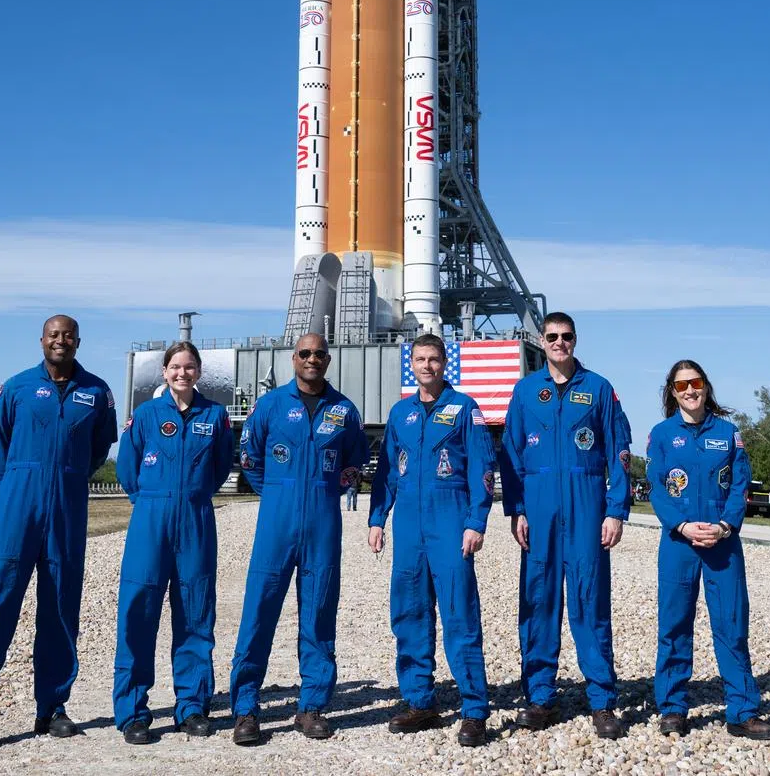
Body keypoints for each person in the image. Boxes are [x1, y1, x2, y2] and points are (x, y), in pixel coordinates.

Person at [0, 315, 119, 755]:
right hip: (18, 508)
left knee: (61, 609)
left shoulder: (97, 392)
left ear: (78, 341)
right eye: (53, 335)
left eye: (68, 335)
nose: (60, 340)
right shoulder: (16, 387)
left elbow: (100, 447)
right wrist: (15, 486)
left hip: (67, 507)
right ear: (42, 340)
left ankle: (53, 706)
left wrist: (69, 476)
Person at [227, 332, 368, 745]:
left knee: (319, 612)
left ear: (328, 360)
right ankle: (246, 708)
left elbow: (355, 461)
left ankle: (312, 706)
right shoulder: (270, 405)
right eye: (305, 353)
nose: (312, 359)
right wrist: (278, 493)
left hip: (323, 522)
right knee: (259, 611)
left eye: (319, 354)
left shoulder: (344, 410)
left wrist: (325, 491)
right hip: (277, 522)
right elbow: (250, 457)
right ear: (294, 358)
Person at [498, 312, 633, 738]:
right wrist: (517, 509)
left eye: (566, 336)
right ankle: (540, 696)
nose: (560, 343)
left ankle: (602, 700)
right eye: (552, 336)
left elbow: (619, 452)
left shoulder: (598, 389)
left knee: (590, 600)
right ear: (542, 341)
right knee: (538, 600)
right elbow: (511, 454)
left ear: (575, 340)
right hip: (539, 509)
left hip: (586, 505)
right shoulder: (525, 391)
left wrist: (616, 511)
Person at [367, 333, 495, 747]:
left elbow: (482, 469)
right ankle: (420, 701)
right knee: (409, 613)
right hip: (408, 526)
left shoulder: (465, 409)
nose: (427, 366)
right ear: (412, 364)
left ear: (445, 363)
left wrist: (476, 521)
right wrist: (377, 519)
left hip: (449, 520)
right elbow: (387, 472)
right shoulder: (400, 413)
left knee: (459, 614)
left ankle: (474, 709)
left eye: (434, 359)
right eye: (420, 359)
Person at [112, 342, 236, 744]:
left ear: (199, 372)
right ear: (165, 372)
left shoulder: (215, 416)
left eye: (190, 367)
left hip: (196, 519)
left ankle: (192, 706)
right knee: (138, 612)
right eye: (176, 367)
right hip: (150, 518)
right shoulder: (146, 415)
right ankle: (133, 711)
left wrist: (193, 495)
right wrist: (150, 500)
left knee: (196, 613)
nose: (183, 373)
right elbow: (127, 468)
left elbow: (220, 466)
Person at [644, 360, 770, 740]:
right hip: (679, 543)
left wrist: (724, 526)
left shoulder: (728, 433)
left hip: (722, 543)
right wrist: (682, 525)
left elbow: (740, 485)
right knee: (674, 625)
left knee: (732, 625)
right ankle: (672, 707)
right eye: (681, 385)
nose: (690, 390)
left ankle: (742, 710)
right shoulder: (662, 435)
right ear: (672, 392)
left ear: (706, 386)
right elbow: (656, 487)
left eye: (696, 382)